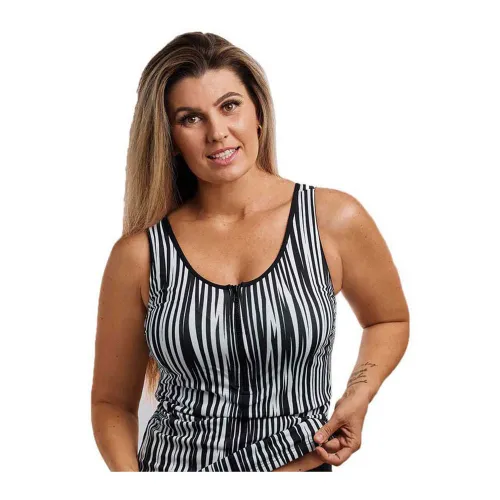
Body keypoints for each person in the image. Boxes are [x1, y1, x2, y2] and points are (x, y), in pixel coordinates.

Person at [91, 32, 410, 472]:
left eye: (230, 106)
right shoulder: (140, 255)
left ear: (258, 111)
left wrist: (359, 393)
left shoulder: (331, 220)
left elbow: (388, 319)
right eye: (190, 118)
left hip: (299, 466)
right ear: (169, 137)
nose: (217, 132)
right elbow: (111, 403)